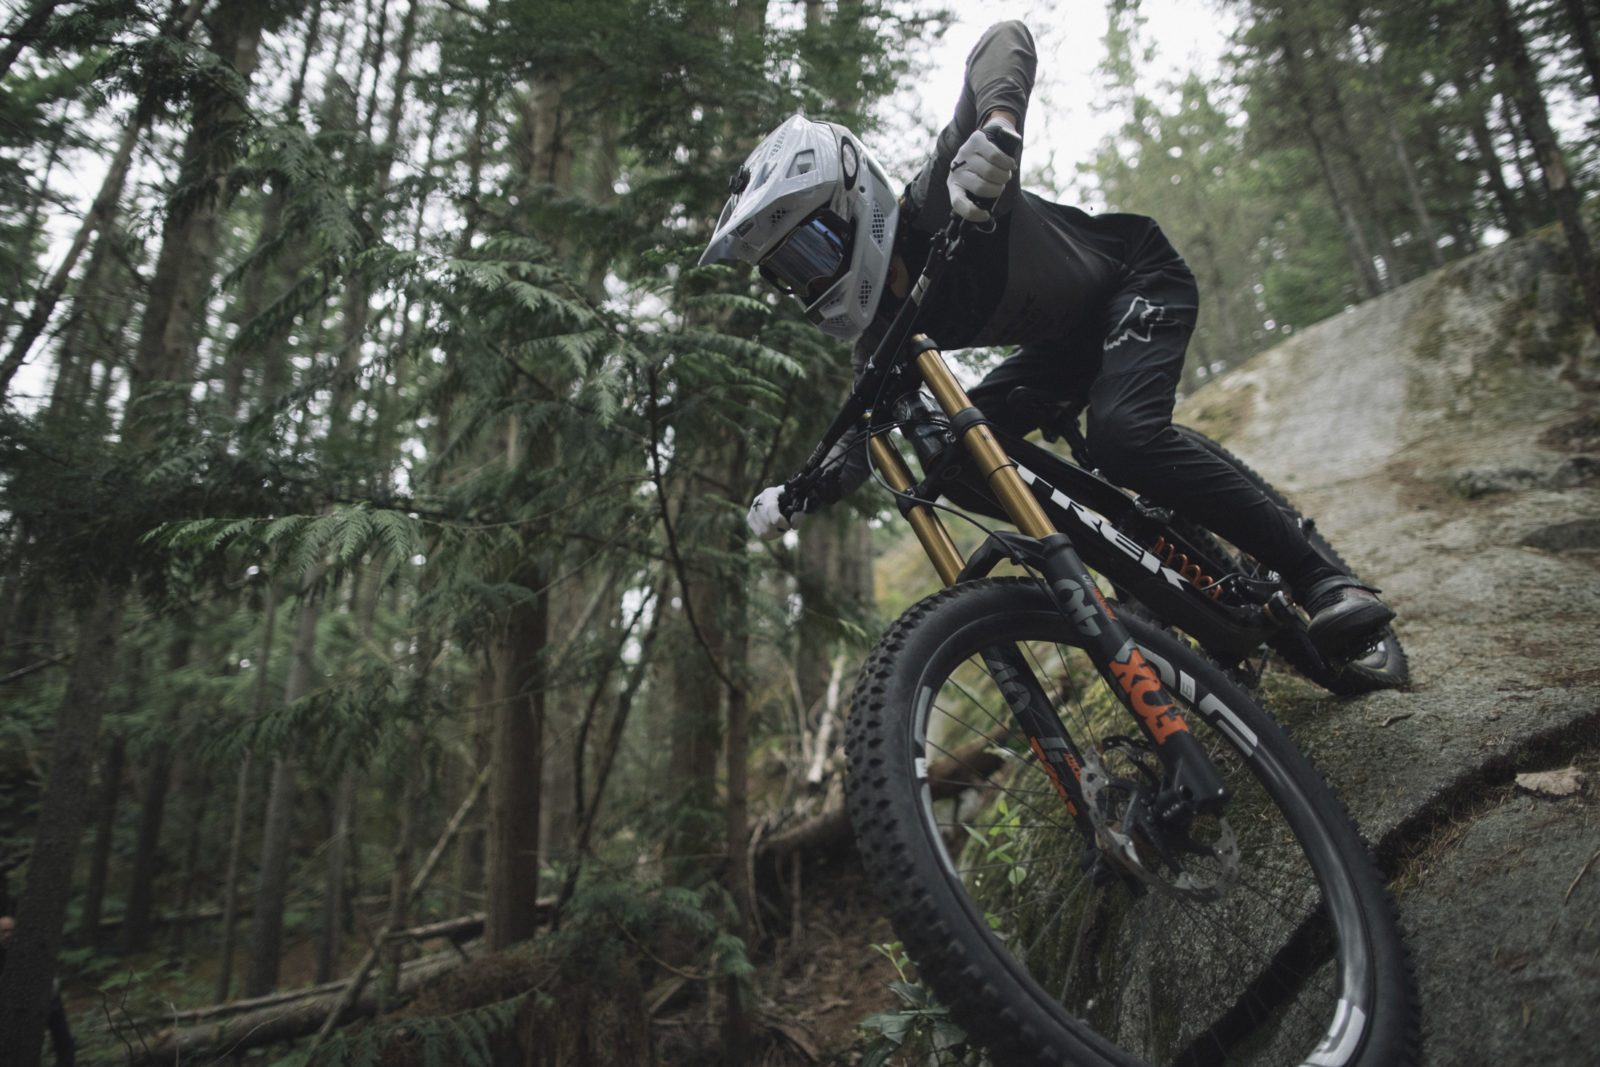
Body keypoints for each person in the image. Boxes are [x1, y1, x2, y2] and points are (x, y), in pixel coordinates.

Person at [698, 20, 1394, 655]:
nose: (809, 280)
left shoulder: (944, 195)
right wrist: (798, 493)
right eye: (789, 272)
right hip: (1062, 348)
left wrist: (998, 128)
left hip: (1136, 279)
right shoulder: (882, 324)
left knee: (1124, 439)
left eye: (811, 250)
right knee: (960, 456)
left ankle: (1321, 578)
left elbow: (1004, 38)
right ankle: (1141, 574)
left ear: (851, 203)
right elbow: (859, 434)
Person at [0, 914, 77, 1066]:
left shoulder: (30, 949)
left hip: (47, 1000)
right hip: (14, 1010)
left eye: (11, 931)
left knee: (63, 1040)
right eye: (3, 932)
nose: (8, 935)